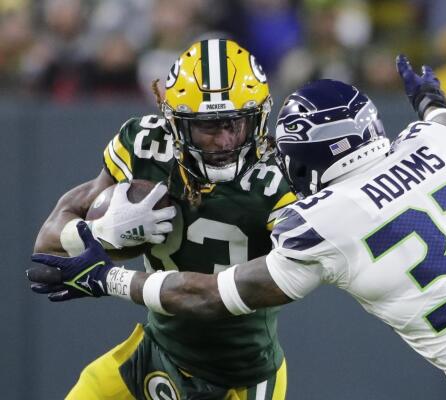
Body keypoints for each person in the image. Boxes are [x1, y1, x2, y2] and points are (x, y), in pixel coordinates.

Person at [29, 55, 446, 399]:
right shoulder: (433, 144)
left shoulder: (324, 219)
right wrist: (429, 100)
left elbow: (210, 296)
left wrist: (108, 279)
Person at [31, 39, 294, 400]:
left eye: (236, 123)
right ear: (176, 124)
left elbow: (211, 297)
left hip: (240, 378)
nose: (225, 140)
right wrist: (99, 231)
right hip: (156, 352)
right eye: (209, 126)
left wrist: (110, 277)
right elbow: (48, 240)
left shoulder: (280, 181)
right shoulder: (145, 144)